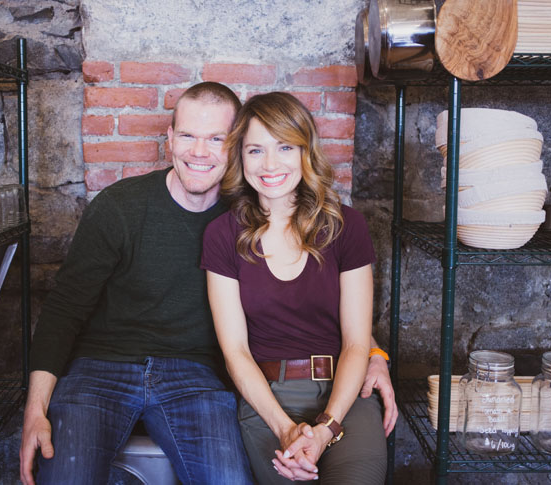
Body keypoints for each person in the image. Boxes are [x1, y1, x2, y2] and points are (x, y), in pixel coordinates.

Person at [19, 82, 395, 485]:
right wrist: (35, 409)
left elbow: (310, 296)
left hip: (194, 375)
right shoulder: (122, 208)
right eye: (187, 136)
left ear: (234, 145)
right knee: (67, 475)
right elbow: (63, 309)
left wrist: (373, 353)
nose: (199, 153)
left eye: (215, 138)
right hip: (102, 368)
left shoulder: (252, 211)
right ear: (169, 138)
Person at [201, 92, 388, 484]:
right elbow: (235, 351)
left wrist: (325, 428)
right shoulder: (222, 235)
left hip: (344, 393)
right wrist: (286, 429)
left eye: (285, 146)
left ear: (306, 150)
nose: (270, 164)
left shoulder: (345, 227)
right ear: (241, 158)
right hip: (265, 399)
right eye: (255, 150)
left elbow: (357, 343)